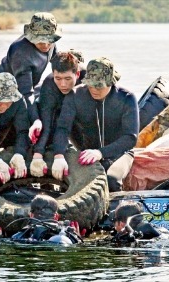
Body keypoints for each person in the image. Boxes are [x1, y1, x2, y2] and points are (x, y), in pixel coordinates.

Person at [51, 57, 138, 192]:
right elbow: (63, 129)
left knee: (111, 181)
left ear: (110, 82)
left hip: (120, 153)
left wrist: (100, 153)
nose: (94, 89)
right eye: (90, 84)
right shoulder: (75, 95)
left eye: (99, 85)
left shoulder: (127, 98)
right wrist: (59, 156)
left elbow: (130, 138)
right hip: (86, 153)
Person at [0, 12, 62, 143]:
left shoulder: (51, 42)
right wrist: (36, 120)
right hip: (8, 92)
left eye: (49, 40)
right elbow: (25, 92)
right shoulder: (20, 51)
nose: (45, 45)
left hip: (31, 85)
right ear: (32, 37)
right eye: (40, 41)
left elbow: (58, 66)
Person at [29, 51, 86, 177]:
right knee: (48, 130)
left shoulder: (87, 79)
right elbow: (47, 120)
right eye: (58, 78)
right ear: (53, 74)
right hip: (56, 109)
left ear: (76, 74)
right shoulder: (49, 84)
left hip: (80, 112)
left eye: (67, 79)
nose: (63, 84)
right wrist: (38, 154)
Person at [11, 194, 82, 244]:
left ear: (31, 215)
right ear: (56, 217)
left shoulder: (25, 233)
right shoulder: (65, 231)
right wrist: (77, 236)